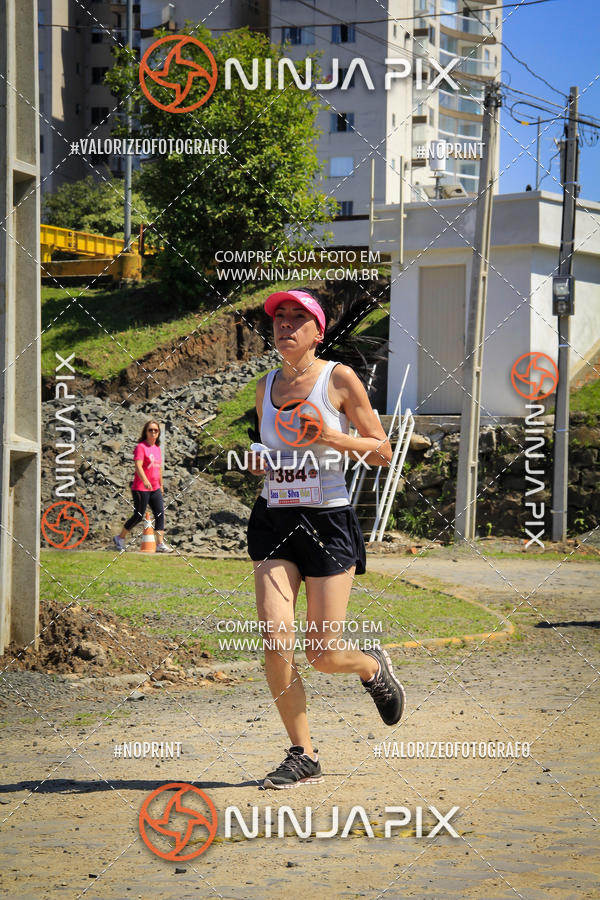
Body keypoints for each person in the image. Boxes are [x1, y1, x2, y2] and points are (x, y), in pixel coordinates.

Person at [247, 289, 406, 790]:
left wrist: (333, 437)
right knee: (275, 636)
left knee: (322, 654)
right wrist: (259, 459)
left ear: (318, 331)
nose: (286, 324)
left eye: (299, 317)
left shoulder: (339, 377)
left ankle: (370, 666)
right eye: (279, 317)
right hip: (275, 519)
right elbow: (271, 447)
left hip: (328, 523)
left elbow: (381, 450)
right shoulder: (265, 385)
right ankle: (303, 754)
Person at [113, 420, 173, 553]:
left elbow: (159, 469)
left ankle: (160, 544)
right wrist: (145, 480)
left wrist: (161, 485)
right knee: (139, 515)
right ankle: (120, 538)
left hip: (155, 488)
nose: (153, 432)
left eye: (155, 430)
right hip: (141, 488)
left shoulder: (157, 449)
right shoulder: (141, 447)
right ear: (145, 432)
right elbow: (138, 465)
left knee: (160, 514)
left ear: (158, 433)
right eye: (150, 430)